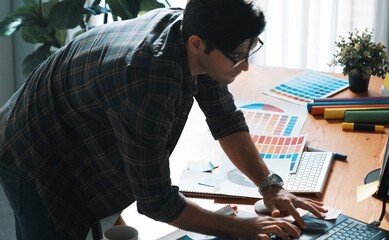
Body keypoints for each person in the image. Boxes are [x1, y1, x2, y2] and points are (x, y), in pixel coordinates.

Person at [0, 0, 327, 239]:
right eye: (238, 57)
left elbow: (225, 119)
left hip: (75, 124)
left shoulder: (196, 36)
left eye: (250, 52)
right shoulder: (150, 81)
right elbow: (157, 202)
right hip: (32, 142)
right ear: (198, 44)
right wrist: (240, 228)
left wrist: (269, 186)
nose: (244, 67)